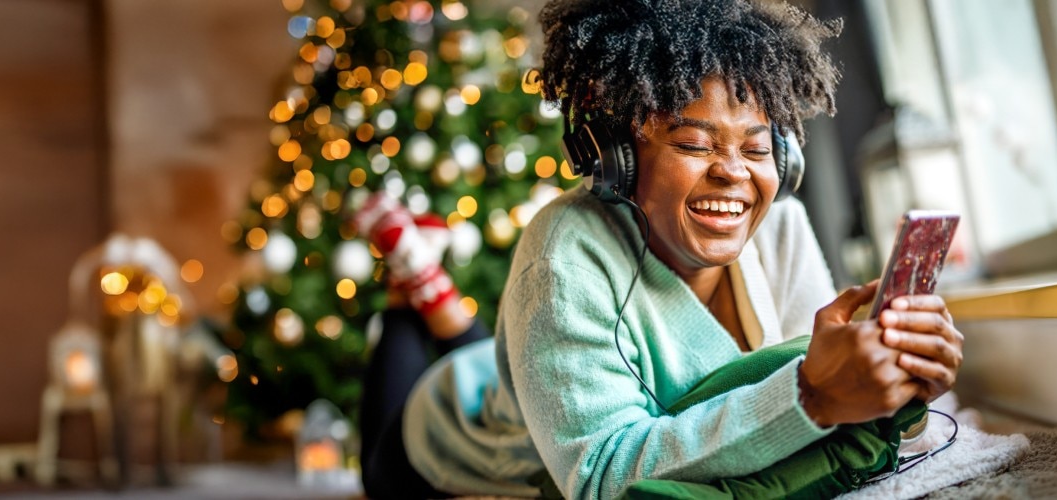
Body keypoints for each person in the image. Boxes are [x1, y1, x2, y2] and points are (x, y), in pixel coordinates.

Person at [357, 0, 964, 498]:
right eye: (696, 144)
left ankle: (426, 281)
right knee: (412, 347)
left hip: (523, 373)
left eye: (756, 150)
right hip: (435, 435)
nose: (734, 173)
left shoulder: (782, 229)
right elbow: (598, 477)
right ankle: (411, 288)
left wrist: (886, 373)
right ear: (617, 161)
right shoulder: (563, 254)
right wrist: (813, 395)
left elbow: (808, 368)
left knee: (490, 356)